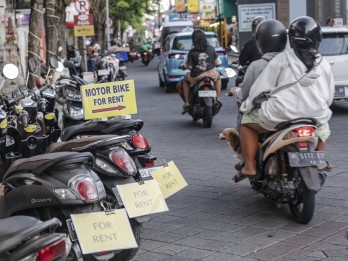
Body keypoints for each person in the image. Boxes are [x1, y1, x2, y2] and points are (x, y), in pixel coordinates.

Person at [233, 16, 334, 182]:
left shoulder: (281, 59)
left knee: (245, 123)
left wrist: (246, 106)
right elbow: (329, 97)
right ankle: (319, 159)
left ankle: (250, 166)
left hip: (281, 114)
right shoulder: (323, 63)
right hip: (314, 116)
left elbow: (260, 88)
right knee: (323, 128)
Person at [229, 19, 288, 127]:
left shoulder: (256, 66)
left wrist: (236, 92)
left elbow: (244, 95)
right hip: (293, 113)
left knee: (243, 122)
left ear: (260, 41)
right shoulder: (293, 63)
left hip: (268, 115)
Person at [181, 29, 222, 113]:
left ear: (193, 40)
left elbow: (189, 66)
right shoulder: (211, 49)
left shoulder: (191, 52)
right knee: (218, 78)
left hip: (197, 76)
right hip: (211, 74)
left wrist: (193, 67)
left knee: (185, 80)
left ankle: (187, 103)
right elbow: (217, 64)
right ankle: (218, 98)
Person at [235, 16, 266, 86]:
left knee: (239, 81)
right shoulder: (273, 42)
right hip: (270, 73)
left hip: (254, 73)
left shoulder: (250, 44)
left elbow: (242, 60)